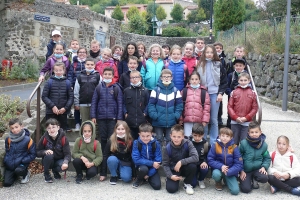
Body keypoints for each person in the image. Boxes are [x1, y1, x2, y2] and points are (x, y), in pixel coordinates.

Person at [196, 44, 227, 145]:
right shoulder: (200, 64)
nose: (209, 54)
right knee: (203, 118)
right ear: (204, 53)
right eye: (207, 52)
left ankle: (214, 141)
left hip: (214, 93)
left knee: (213, 119)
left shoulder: (219, 64)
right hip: (203, 93)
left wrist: (220, 93)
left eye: (211, 52)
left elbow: (224, 81)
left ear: (214, 53)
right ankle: (203, 139)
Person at [90, 67, 123, 152]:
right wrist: (93, 116)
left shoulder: (116, 88)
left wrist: (119, 118)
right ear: (102, 75)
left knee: (111, 137)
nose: (107, 76)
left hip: (113, 118)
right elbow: (94, 102)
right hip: (101, 118)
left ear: (113, 76)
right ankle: (103, 155)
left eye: (109, 74)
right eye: (105, 74)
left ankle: (111, 154)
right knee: (103, 137)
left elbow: (120, 103)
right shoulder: (99, 87)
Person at [148, 69, 183, 146]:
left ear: (171, 78)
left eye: (168, 76)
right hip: (158, 121)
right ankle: (159, 157)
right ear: (161, 78)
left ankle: (168, 157)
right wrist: (154, 115)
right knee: (158, 140)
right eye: (164, 77)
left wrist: (176, 116)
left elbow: (179, 105)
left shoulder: (175, 90)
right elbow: (151, 105)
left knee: (169, 141)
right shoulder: (156, 90)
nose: (166, 78)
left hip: (171, 121)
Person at [162, 124, 199, 195]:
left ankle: (187, 184)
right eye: (174, 136)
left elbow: (196, 157)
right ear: (170, 136)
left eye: (179, 137)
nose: (176, 139)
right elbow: (165, 164)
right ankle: (170, 179)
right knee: (171, 189)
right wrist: (170, 175)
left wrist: (181, 162)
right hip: (174, 169)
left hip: (185, 167)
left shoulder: (188, 143)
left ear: (183, 136)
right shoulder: (167, 148)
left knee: (193, 167)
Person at [207, 127, 243, 195]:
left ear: (231, 138)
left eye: (227, 136)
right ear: (219, 136)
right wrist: (221, 166)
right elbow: (210, 159)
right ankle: (218, 182)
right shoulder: (215, 145)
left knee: (235, 191)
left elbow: (239, 163)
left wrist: (230, 171)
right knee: (216, 174)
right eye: (223, 136)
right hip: (219, 169)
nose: (224, 138)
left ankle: (226, 180)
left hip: (230, 171)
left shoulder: (234, 147)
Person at [239, 121, 271, 193]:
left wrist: (264, 167)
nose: (254, 134)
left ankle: (255, 179)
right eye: (252, 132)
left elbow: (267, 158)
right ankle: (245, 180)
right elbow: (238, 157)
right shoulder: (244, 143)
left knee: (264, 178)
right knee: (246, 189)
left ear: (260, 132)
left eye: (256, 132)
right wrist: (241, 170)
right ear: (248, 133)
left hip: (257, 169)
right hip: (246, 170)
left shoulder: (264, 145)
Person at [36, 118, 71, 183]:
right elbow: (37, 152)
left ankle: (55, 171)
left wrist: (65, 162)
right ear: (46, 129)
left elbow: (68, 154)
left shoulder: (63, 138)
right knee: (49, 155)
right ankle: (46, 174)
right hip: (48, 160)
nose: (51, 130)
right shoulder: (44, 138)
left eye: (53, 127)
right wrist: (45, 152)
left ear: (58, 127)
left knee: (63, 165)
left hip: (59, 160)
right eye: (49, 128)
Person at [3, 118, 36, 187]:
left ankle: (26, 173)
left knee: (19, 170)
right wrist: (6, 160)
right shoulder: (8, 139)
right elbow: (7, 151)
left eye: (16, 127)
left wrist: (23, 160)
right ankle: (14, 174)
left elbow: (33, 154)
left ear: (21, 126)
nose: (14, 130)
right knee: (7, 183)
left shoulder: (28, 140)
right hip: (11, 164)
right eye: (12, 128)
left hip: (21, 163)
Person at [42, 62, 74, 131]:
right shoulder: (49, 82)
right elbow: (44, 96)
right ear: (53, 70)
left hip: (63, 112)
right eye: (56, 70)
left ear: (64, 71)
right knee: (51, 130)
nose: (58, 72)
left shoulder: (67, 82)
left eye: (60, 70)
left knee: (62, 131)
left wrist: (65, 108)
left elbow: (71, 97)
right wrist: (52, 106)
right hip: (51, 112)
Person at [228, 73, 258, 145]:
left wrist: (246, 118)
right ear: (238, 81)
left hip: (247, 122)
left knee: (244, 142)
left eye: (245, 80)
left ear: (249, 81)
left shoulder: (253, 93)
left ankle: (242, 156)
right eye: (241, 80)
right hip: (235, 121)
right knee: (234, 141)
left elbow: (255, 108)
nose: (243, 82)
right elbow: (229, 106)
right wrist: (235, 117)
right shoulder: (234, 92)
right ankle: (234, 155)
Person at [179, 71, 210, 137]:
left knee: (197, 138)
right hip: (187, 119)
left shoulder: (204, 92)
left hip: (199, 120)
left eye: (196, 79)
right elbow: (180, 106)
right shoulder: (184, 91)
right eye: (192, 79)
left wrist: (205, 120)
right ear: (189, 80)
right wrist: (181, 118)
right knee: (187, 137)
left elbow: (206, 108)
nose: (194, 81)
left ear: (199, 80)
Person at [131, 123, 161, 189]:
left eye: (148, 136)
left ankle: (146, 178)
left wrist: (149, 174)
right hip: (141, 166)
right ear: (139, 134)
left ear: (152, 134)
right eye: (143, 136)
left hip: (153, 168)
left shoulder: (156, 143)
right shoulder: (136, 143)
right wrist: (152, 163)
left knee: (157, 186)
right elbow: (136, 160)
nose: (145, 138)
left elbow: (158, 161)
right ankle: (139, 179)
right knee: (143, 169)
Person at [74, 58, 101, 124]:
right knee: (85, 123)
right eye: (88, 64)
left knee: (94, 123)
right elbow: (76, 91)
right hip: (83, 104)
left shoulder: (98, 76)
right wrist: (76, 103)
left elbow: (100, 90)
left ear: (94, 66)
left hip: (94, 104)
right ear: (85, 65)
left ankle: (94, 135)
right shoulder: (80, 76)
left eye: (92, 64)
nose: (90, 66)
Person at [123, 70, 149, 139]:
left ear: (140, 78)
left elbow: (148, 103)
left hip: (142, 121)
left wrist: (145, 113)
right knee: (130, 140)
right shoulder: (126, 91)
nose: (134, 79)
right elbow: (123, 103)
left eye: (136, 77)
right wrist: (125, 113)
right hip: (130, 121)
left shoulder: (145, 91)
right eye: (132, 78)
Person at [67, 47, 88, 130]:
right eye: (80, 52)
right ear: (77, 53)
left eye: (84, 52)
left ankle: (85, 123)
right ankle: (77, 123)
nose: (82, 53)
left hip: (86, 88)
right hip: (76, 87)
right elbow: (70, 75)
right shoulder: (74, 64)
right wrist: (70, 85)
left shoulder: (89, 63)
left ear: (86, 54)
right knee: (76, 105)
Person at [225, 59, 250, 128]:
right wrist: (230, 93)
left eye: (240, 66)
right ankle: (229, 129)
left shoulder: (247, 75)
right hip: (232, 97)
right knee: (230, 113)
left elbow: (250, 87)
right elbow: (227, 86)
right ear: (234, 66)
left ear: (244, 66)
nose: (238, 67)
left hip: (244, 98)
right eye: (237, 65)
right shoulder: (231, 75)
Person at [190, 123, 210, 189]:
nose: (197, 138)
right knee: (193, 184)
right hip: (192, 165)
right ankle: (193, 177)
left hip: (201, 164)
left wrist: (205, 161)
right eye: (195, 135)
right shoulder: (188, 142)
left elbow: (207, 156)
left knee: (205, 168)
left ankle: (201, 179)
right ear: (192, 134)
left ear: (203, 135)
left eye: (199, 136)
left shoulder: (206, 144)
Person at [213, 42, 226, 126]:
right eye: (217, 48)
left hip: (219, 83)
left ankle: (219, 118)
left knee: (219, 103)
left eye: (220, 48)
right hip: (211, 85)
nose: (218, 49)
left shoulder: (223, 60)